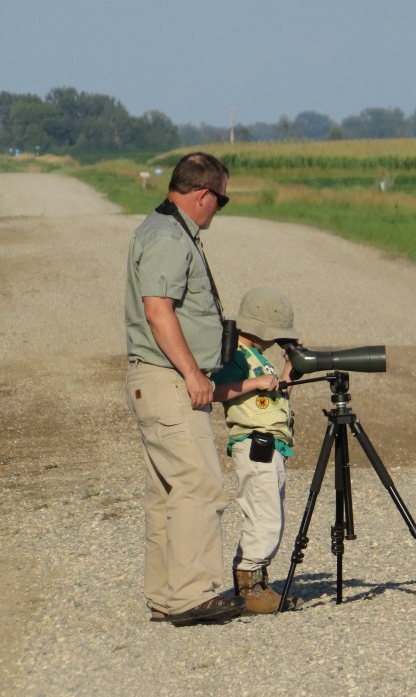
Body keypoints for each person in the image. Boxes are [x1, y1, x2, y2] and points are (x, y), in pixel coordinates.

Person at [124, 152, 245, 627]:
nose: (219, 209)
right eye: (222, 199)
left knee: (168, 490)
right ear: (203, 195)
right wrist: (194, 374)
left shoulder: (161, 230)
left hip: (158, 380)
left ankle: (165, 595)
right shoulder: (168, 238)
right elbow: (158, 310)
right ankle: (193, 594)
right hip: (168, 379)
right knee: (199, 483)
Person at [210, 287, 300, 614]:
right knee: (264, 515)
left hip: (272, 446)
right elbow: (215, 391)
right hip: (254, 445)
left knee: (270, 512)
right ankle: (249, 585)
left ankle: (258, 583)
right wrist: (253, 384)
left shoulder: (260, 360)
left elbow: (280, 394)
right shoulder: (236, 355)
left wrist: (289, 367)